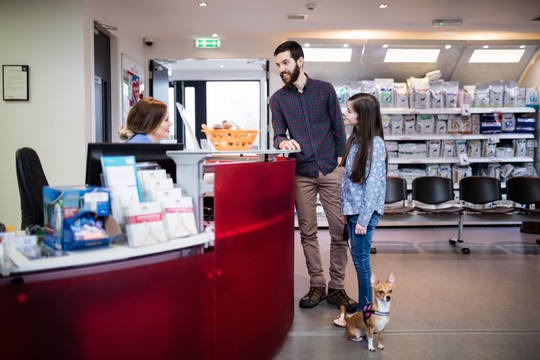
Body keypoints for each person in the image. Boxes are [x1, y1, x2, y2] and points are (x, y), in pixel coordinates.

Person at [269, 40, 357, 312]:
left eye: (285, 63)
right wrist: (282, 142)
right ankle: (317, 284)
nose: (281, 69)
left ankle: (337, 288)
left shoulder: (325, 90)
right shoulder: (278, 99)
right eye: (278, 65)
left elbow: (338, 129)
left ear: (300, 61)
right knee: (307, 232)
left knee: (339, 231)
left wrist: (341, 162)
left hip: (330, 169)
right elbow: (278, 134)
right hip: (302, 173)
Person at [339, 93, 387, 320]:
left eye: (349, 111)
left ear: (363, 116)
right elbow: (348, 181)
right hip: (353, 211)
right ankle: (364, 308)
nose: (344, 113)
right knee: (359, 260)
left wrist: (363, 219)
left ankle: (365, 312)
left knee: (361, 262)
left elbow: (374, 186)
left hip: (363, 213)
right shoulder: (356, 139)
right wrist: (345, 211)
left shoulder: (375, 144)